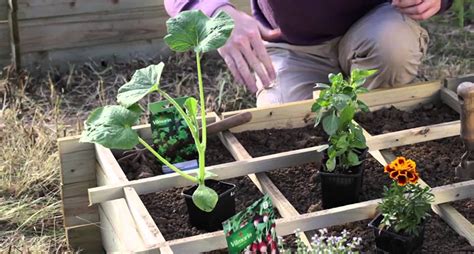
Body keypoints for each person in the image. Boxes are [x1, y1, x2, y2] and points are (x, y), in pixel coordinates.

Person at [165, 0, 453, 107]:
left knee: (394, 47)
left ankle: (378, 110)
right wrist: (215, 11)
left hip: (374, 28)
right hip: (292, 46)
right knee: (281, 122)